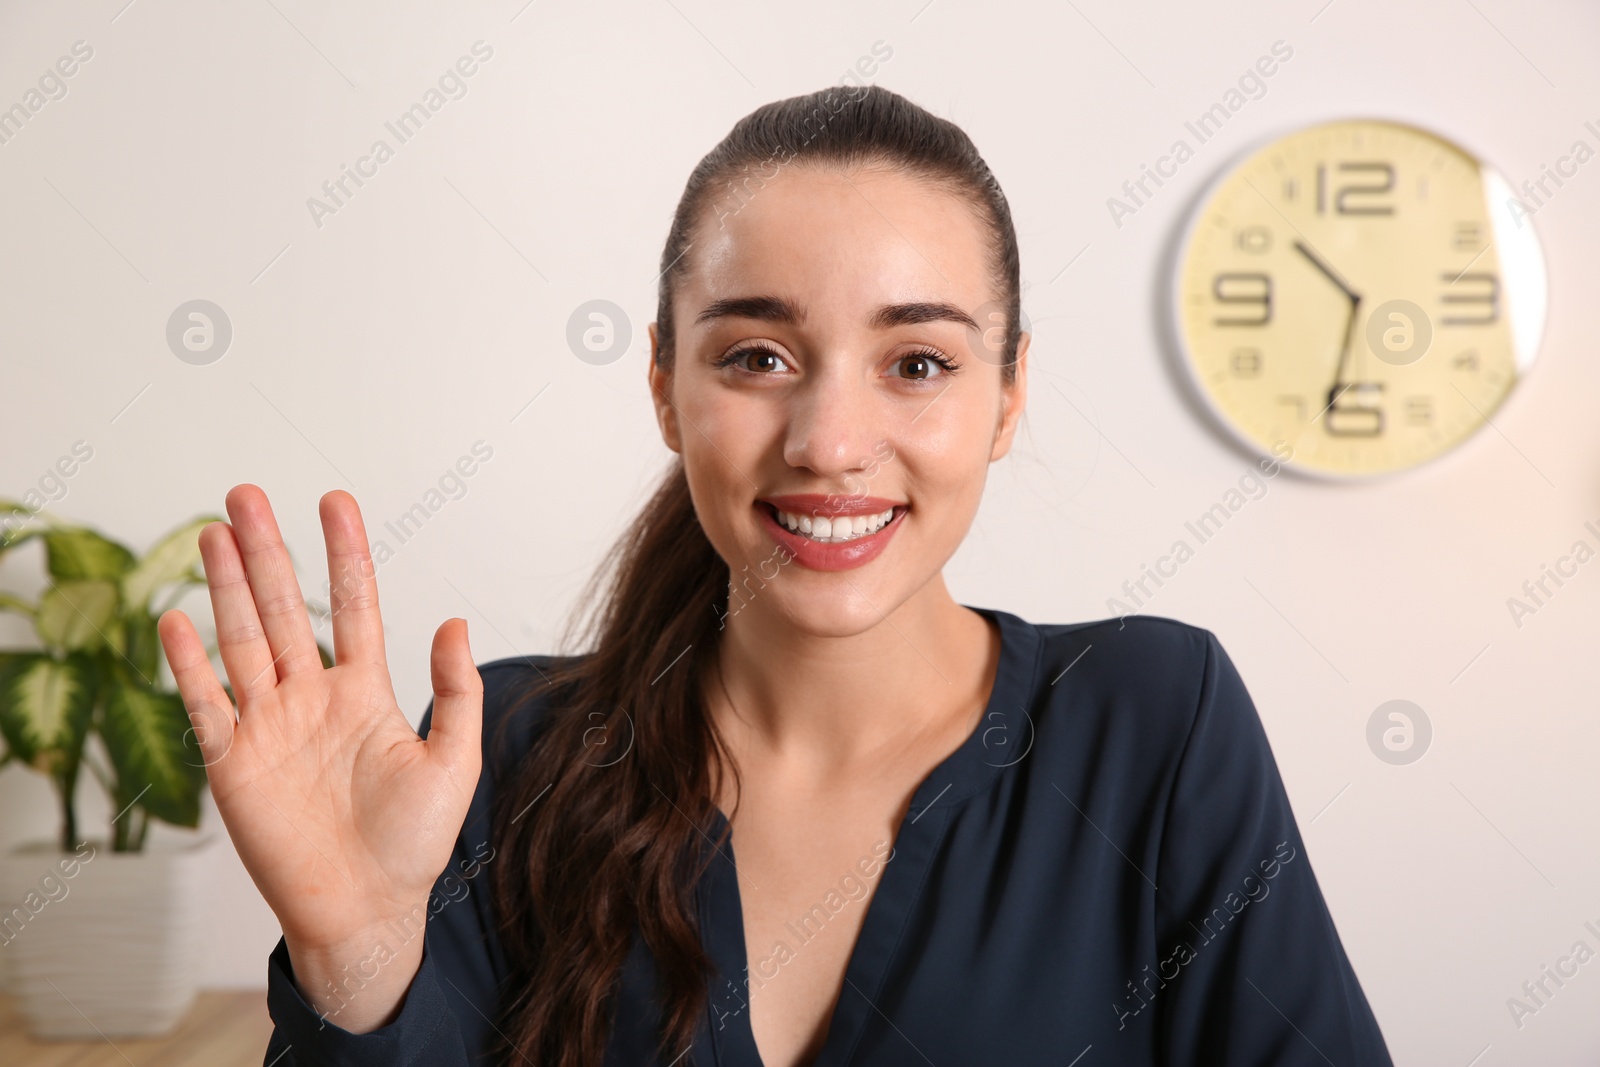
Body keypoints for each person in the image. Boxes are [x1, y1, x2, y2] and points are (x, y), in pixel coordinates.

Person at [157, 84, 1393, 1067]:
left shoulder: (1150, 719)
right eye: (755, 353)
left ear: (1008, 392)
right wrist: (361, 965)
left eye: (917, 363)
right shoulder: (494, 758)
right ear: (662, 384)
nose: (829, 439)